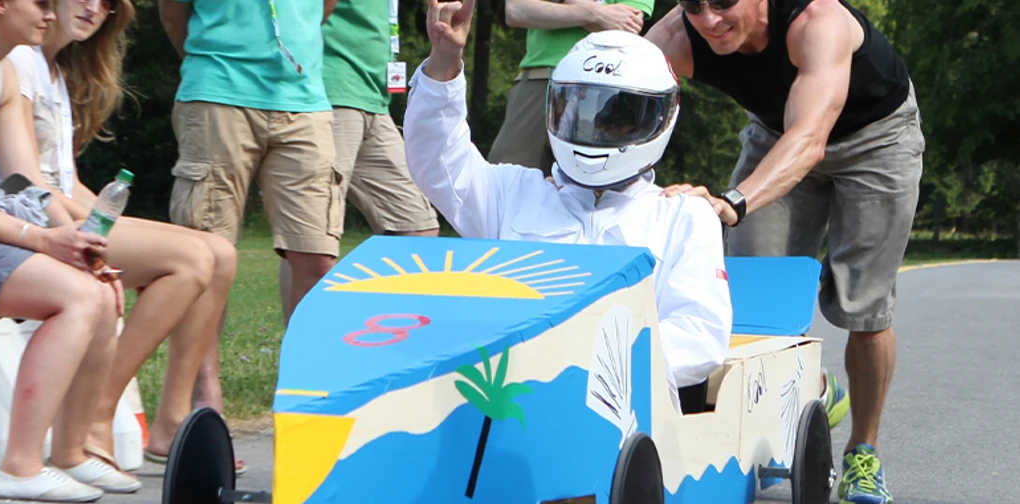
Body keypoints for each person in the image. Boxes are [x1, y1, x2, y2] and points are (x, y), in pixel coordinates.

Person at [645, 0, 924, 504]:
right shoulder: (673, 39)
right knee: (750, 298)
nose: (708, 20)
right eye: (694, 5)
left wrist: (731, 202)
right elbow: (623, 101)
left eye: (723, 3)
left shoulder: (817, 22)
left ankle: (864, 451)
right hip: (776, 133)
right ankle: (799, 396)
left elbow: (811, 138)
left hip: (875, 140)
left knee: (862, 308)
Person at [407, 0, 733, 411]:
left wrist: (572, 366)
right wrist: (445, 60)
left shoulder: (681, 215)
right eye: (579, 111)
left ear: (660, 117)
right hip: (506, 411)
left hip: (624, 423)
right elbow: (436, 159)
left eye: (616, 117)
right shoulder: (515, 193)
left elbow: (699, 335)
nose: (595, 127)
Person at [0, 0, 240, 478]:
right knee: (193, 258)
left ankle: (169, 418)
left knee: (218, 253)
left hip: (36, 212)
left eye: (108, 2)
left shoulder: (43, 67)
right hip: (15, 216)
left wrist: (101, 224)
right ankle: (98, 414)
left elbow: (60, 182)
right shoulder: (19, 62)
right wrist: (78, 233)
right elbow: (21, 183)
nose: (95, 8)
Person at [0, 0, 133, 502]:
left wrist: (83, 247)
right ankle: (20, 465)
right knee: (76, 298)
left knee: (97, 289)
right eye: (39, 3)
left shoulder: (3, 78)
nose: (48, 13)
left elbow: (23, 181)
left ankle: (71, 453)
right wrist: (40, 239)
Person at [159, 0, 339, 327]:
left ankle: (305, 376)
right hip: (218, 93)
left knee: (317, 255)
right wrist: (214, 61)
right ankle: (203, 380)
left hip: (305, 101)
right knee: (206, 254)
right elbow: (172, 12)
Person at [278, 0, 441, 324]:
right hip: (329, 91)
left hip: (373, 99)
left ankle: (377, 341)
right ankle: (305, 353)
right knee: (310, 238)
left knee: (417, 228)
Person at [486, 0, 653, 177]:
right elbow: (517, 11)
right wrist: (596, 13)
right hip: (540, 82)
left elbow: (624, 28)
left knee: (592, 187)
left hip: (602, 90)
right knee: (503, 179)